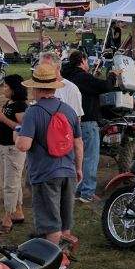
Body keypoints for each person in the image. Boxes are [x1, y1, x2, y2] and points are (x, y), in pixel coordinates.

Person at [14, 62, 83, 247]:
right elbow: (78, 143)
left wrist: (17, 134)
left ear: (36, 88)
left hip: (45, 174)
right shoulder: (69, 111)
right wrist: (78, 168)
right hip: (68, 172)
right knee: (65, 221)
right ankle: (64, 256)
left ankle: (54, 265)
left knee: (51, 224)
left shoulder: (33, 112)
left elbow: (23, 145)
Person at [62, 49, 115, 204]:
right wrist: (112, 75)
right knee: (90, 158)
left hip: (70, 122)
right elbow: (105, 87)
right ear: (83, 60)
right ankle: (87, 192)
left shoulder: (67, 76)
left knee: (75, 158)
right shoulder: (82, 77)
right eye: (87, 62)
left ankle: (77, 189)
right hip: (87, 121)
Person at [0, 74, 28, 233]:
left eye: (6, 86)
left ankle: (8, 218)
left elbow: (22, 128)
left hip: (13, 149)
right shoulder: (10, 103)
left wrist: (3, 118)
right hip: (3, 146)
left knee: (10, 183)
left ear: (14, 89)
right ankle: (17, 211)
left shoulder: (20, 106)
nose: (3, 88)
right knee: (10, 181)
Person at [37, 51, 83, 120]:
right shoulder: (39, 86)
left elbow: (76, 118)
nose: (43, 70)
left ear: (58, 68)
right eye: (41, 67)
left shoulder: (71, 88)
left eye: (47, 66)